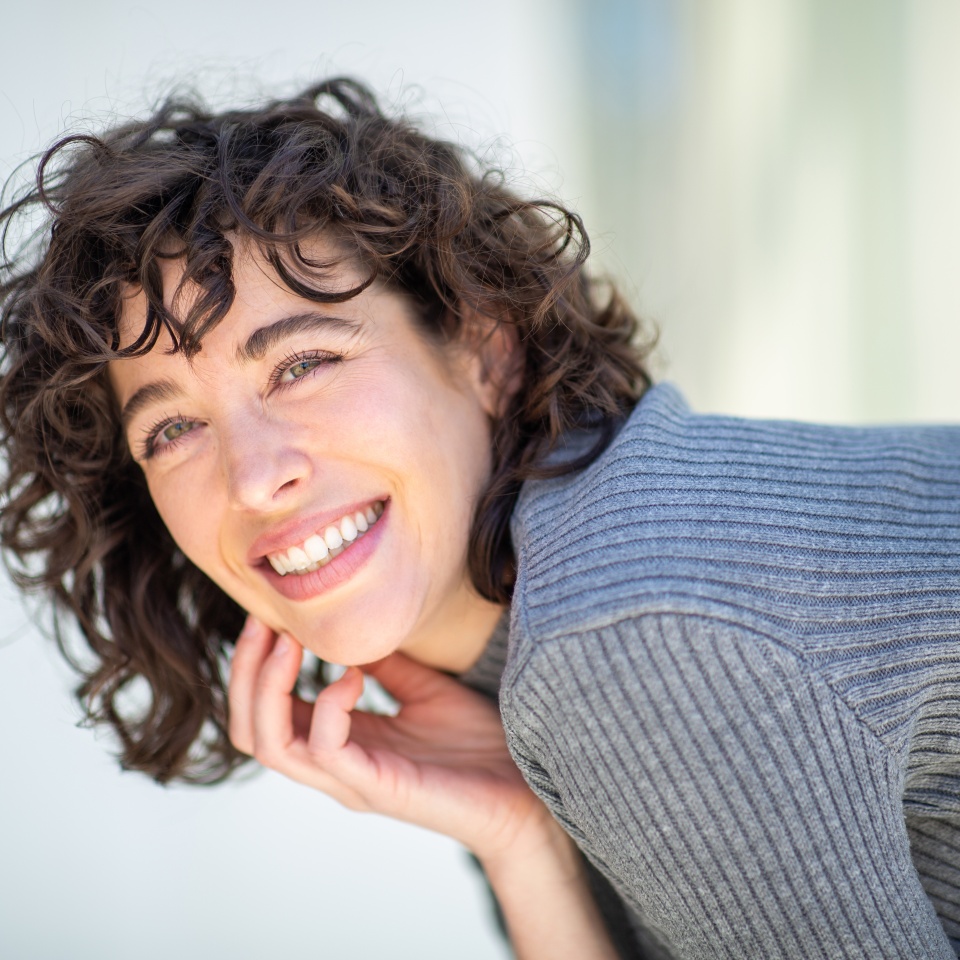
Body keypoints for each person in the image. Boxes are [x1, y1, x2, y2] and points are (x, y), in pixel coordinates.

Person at [1, 78, 959, 960]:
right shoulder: (539, 627)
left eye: (300, 365)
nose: (252, 478)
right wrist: (519, 840)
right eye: (172, 427)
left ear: (483, 348)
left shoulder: (625, 628)